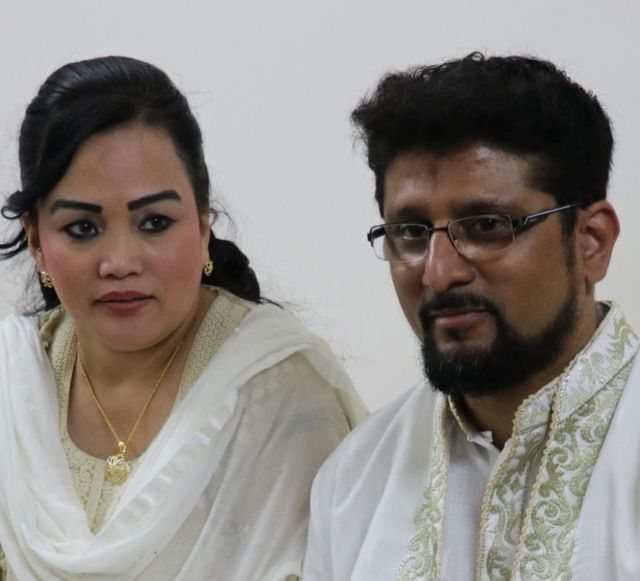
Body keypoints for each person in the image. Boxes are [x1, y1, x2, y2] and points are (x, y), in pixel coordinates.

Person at [0, 56, 366, 581]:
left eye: (154, 222)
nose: (120, 262)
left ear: (201, 224)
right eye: (82, 228)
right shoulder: (10, 390)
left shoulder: (281, 400)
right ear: (37, 241)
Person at [303, 53, 639, 580]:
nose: (439, 273)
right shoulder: (355, 480)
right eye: (411, 233)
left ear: (591, 241)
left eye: (487, 226)